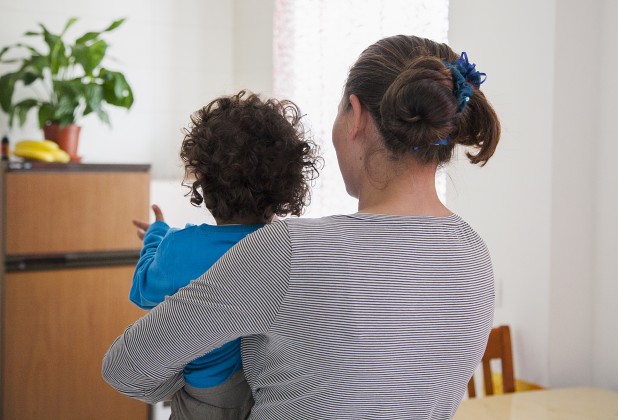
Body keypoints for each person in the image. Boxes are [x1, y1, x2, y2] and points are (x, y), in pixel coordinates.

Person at [103, 35, 501, 419]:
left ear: (356, 116)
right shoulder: (475, 257)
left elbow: (124, 367)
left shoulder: (288, 251)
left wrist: (204, 389)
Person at [127, 90, 321, 419]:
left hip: (209, 397)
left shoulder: (180, 249)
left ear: (205, 183)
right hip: (275, 389)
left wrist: (156, 237)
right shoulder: (290, 248)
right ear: (285, 184)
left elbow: (142, 290)